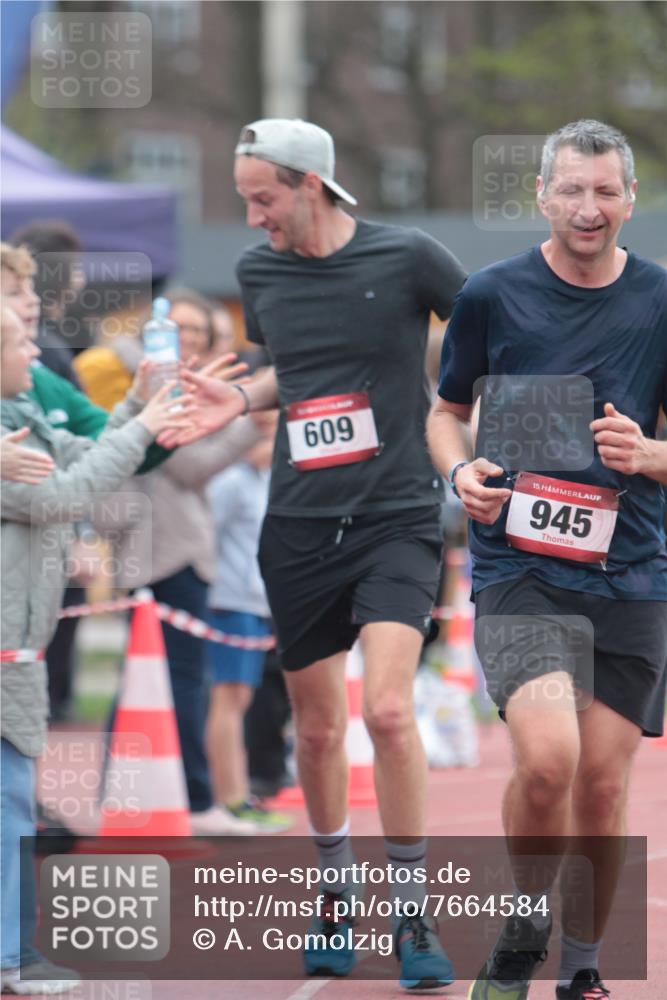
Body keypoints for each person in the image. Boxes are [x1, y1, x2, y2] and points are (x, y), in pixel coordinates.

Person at [159, 117, 467, 990]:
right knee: (320, 724)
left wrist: (464, 409)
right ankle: (335, 891)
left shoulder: (408, 256)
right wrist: (242, 400)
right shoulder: (260, 274)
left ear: (311, 185)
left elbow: (485, 328)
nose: (253, 218)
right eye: (244, 200)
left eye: (263, 198)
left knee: (391, 713)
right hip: (297, 525)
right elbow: (289, 370)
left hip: (399, 515)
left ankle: (411, 913)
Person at [426, 120, 667, 1000]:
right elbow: (444, 411)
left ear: (629, 200)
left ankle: (579, 969)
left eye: (605, 191)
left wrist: (652, 457)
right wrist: (459, 471)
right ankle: (523, 927)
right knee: (546, 763)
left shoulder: (660, 299)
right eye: (571, 189)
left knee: (602, 790)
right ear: (540, 195)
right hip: (517, 567)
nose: (588, 207)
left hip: (631, 571)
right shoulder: (490, 294)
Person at [0, 304, 191, 995]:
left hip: (19, 649)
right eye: (20, 336)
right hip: (5, 652)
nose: (36, 346)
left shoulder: (24, 408)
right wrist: (140, 423)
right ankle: (14, 956)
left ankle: (16, 952)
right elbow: (64, 494)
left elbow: (88, 463)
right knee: (11, 804)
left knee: (13, 801)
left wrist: (136, 406)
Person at [205, 410, 292, 832]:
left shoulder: (261, 480)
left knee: (239, 701)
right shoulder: (231, 481)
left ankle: (237, 796)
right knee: (228, 701)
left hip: (254, 603)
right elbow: (206, 537)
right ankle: (229, 799)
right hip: (228, 602)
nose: (272, 444)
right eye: (263, 433)